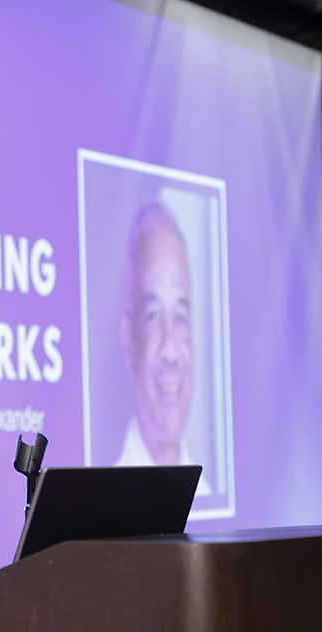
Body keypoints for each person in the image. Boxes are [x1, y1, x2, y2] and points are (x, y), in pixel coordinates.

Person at [115, 202, 211, 496]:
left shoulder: (206, 491)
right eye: (154, 317)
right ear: (129, 340)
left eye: (180, 318)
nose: (170, 351)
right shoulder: (109, 501)